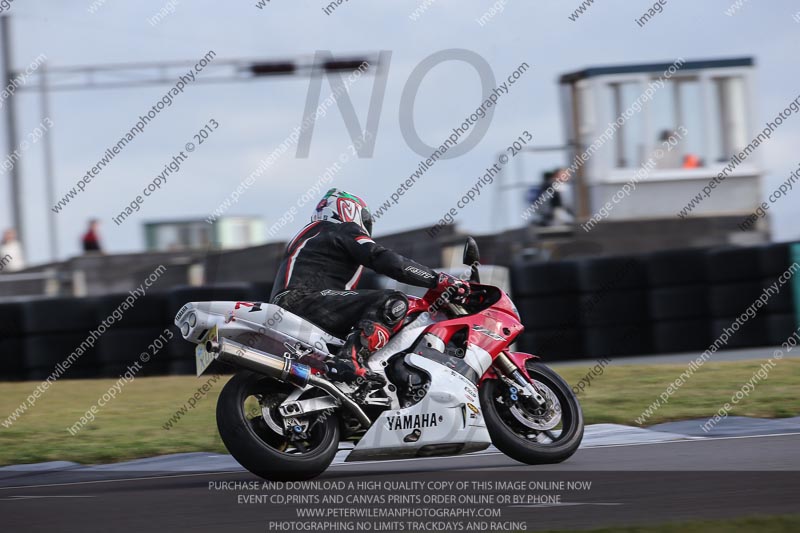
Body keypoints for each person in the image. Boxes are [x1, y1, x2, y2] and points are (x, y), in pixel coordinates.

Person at [270, 188, 467, 387]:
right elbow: (384, 259)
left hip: (294, 304)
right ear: (348, 209)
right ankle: (350, 359)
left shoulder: (313, 235)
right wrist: (437, 279)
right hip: (305, 300)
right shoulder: (340, 229)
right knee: (392, 301)